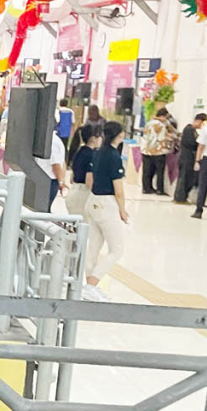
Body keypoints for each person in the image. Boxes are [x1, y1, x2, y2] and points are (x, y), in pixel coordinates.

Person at [83, 122, 129, 302]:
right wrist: (122, 210)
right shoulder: (114, 156)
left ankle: (88, 287)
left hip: (93, 200)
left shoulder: (99, 152)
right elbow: (118, 189)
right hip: (106, 203)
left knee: (94, 246)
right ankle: (92, 284)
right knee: (117, 249)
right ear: (119, 134)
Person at [65, 124, 101, 217]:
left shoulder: (79, 152)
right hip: (83, 197)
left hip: (73, 192)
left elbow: (71, 179)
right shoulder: (92, 155)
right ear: (93, 138)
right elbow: (89, 182)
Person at [139, 107, 177, 195]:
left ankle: (146, 188)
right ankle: (160, 189)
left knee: (147, 171)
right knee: (159, 172)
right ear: (164, 116)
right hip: (158, 151)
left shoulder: (148, 123)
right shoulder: (161, 125)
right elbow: (163, 137)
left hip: (146, 150)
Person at [173, 113, 206, 204]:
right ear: (198, 121)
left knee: (187, 177)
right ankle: (180, 198)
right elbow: (191, 143)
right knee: (184, 177)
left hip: (188, 157)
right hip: (186, 157)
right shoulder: (189, 129)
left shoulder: (192, 130)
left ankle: (183, 197)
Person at [34, 126, 67, 208]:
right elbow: (58, 163)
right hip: (48, 179)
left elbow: (57, 164)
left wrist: (61, 182)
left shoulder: (50, 140)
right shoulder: (54, 140)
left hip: (47, 179)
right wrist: (61, 181)